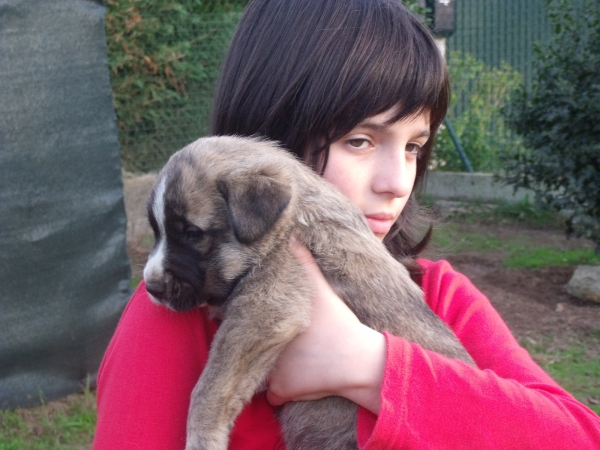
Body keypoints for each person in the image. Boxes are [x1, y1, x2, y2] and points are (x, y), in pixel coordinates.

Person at [93, 0, 600, 448]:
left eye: (414, 146)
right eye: (359, 140)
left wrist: (370, 366)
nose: (397, 181)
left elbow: (578, 437)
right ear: (272, 136)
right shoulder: (179, 318)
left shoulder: (441, 295)